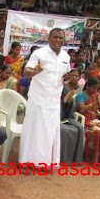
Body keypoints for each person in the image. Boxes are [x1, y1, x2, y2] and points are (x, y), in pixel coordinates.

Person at [19, 29, 70, 164]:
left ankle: (43, 161)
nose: (57, 40)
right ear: (49, 38)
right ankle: (25, 161)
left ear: (64, 40)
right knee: (32, 130)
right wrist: (33, 72)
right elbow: (26, 71)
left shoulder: (66, 57)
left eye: (60, 38)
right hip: (38, 98)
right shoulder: (39, 54)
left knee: (49, 133)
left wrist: (67, 78)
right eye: (55, 37)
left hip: (54, 100)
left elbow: (66, 76)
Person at [75, 77, 100, 164]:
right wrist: (93, 103)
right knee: (97, 131)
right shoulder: (81, 95)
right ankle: (90, 157)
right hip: (85, 120)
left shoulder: (96, 95)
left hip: (95, 119)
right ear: (87, 86)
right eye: (93, 88)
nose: (95, 90)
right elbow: (82, 109)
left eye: (97, 88)